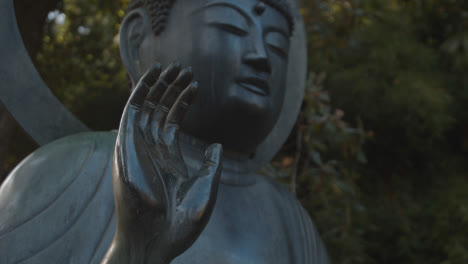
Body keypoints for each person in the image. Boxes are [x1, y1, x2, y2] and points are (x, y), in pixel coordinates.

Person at [0, 0, 330, 263]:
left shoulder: (289, 219)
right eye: (229, 27)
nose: (261, 57)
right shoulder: (68, 171)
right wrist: (134, 250)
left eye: (276, 45)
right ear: (137, 40)